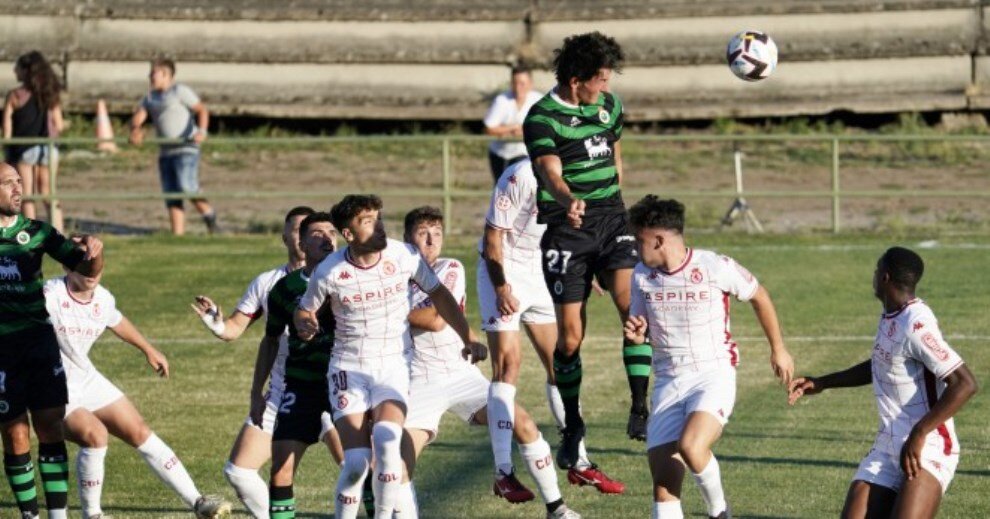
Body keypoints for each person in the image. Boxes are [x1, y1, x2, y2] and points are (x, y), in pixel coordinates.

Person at [293, 194, 486, 519]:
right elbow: (305, 309)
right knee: (355, 463)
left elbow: (438, 293)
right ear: (349, 234)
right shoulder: (329, 270)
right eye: (368, 222)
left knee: (385, 439)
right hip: (348, 369)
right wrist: (304, 323)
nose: (379, 227)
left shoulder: (403, 254)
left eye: (378, 219)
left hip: (393, 367)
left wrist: (467, 335)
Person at [522, 31, 650, 468]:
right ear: (576, 80)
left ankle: (640, 406)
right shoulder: (542, 117)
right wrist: (567, 200)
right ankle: (573, 422)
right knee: (571, 337)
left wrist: (619, 202)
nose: (607, 88)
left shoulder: (609, 107)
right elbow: (548, 170)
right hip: (568, 229)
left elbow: (615, 155)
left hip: (613, 220)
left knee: (631, 306)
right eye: (600, 79)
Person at [403, 206, 580, 519]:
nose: (432, 241)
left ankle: (557, 508)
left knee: (523, 424)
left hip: (461, 375)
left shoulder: (449, 268)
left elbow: (434, 318)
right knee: (399, 462)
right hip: (418, 380)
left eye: (437, 234)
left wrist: (386, 315)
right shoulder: (394, 277)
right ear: (406, 238)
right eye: (422, 233)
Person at [623, 196, 794, 519]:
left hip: (712, 375)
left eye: (638, 239)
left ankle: (719, 511)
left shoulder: (715, 266)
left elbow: (759, 295)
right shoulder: (641, 276)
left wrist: (779, 349)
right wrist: (636, 333)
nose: (634, 247)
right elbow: (640, 327)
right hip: (669, 382)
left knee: (691, 446)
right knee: (664, 485)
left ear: (658, 240)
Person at [788, 247, 978, 519]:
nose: (874, 275)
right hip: (888, 445)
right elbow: (881, 365)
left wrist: (919, 433)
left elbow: (965, 383)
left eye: (877, 270)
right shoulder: (892, 315)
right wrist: (822, 382)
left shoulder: (916, 324)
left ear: (885, 278)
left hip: (927, 445)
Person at [478, 159, 624, 495]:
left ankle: (581, 462)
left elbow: (591, 229)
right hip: (504, 266)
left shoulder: (585, 174)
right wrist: (501, 287)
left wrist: (586, 268)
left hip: (544, 267)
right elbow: (492, 238)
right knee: (508, 366)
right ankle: (503, 472)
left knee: (563, 361)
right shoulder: (519, 176)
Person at [44, 268, 231, 519]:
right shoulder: (49, 294)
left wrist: (148, 349)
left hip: (84, 376)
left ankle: (198, 503)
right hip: (49, 383)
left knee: (140, 431)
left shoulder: (102, 297)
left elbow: (116, 320)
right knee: (95, 435)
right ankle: (92, 515)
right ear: (67, 267)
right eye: (83, 264)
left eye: (96, 265)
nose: (91, 271)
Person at [190, 206, 324, 518]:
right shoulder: (268, 283)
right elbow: (235, 328)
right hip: (283, 391)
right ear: (286, 238)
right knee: (238, 471)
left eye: (313, 230)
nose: (305, 235)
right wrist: (217, 324)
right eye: (297, 229)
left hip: (330, 386)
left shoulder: (335, 276)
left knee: (356, 464)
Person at [0, 162, 103, 519]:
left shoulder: (39, 233)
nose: (18, 188)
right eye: (8, 182)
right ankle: (30, 515)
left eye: (19, 180)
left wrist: (94, 250)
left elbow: (86, 269)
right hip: (1, 352)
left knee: (49, 426)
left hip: (38, 345)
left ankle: (58, 516)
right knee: (15, 435)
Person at [263, 212, 344, 518]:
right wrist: (256, 392)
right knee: (280, 471)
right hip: (300, 386)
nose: (327, 238)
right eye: (317, 234)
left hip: (344, 382)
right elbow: (270, 341)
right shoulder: (284, 289)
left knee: (363, 462)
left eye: (331, 232)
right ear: (301, 243)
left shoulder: (349, 278)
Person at [129, 57, 219, 235]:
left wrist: (202, 131)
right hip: (166, 151)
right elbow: (139, 117)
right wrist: (135, 130)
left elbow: (201, 109)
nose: (150, 77)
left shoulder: (180, 91)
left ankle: (209, 215)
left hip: (185, 148)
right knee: (171, 193)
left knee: (187, 186)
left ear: (166, 75)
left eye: (154, 73)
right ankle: (177, 236)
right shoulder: (149, 98)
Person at [3, 51, 64, 229]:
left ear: (26, 71)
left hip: (25, 149)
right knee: (48, 193)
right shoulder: (50, 94)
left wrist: (7, 145)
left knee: (27, 194)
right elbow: (58, 124)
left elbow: (7, 128)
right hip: (49, 148)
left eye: (18, 68)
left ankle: (32, 234)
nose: (15, 71)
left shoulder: (15, 95)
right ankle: (59, 234)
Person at [483, 65, 542, 183]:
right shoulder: (502, 100)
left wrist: (525, 129)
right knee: (501, 188)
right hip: (499, 153)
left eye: (522, 83)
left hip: (524, 153)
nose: (518, 88)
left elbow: (545, 126)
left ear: (530, 84)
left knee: (518, 186)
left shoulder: (538, 100)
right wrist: (512, 128)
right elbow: (489, 128)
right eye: (515, 83)